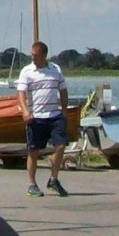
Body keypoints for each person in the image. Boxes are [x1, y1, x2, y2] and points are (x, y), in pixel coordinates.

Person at [16, 41, 69, 197]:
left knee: (60, 145)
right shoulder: (27, 71)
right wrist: (25, 111)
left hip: (54, 115)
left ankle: (54, 178)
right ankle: (32, 184)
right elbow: (21, 93)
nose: (32, 57)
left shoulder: (55, 69)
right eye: (31, 54)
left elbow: (63, 91)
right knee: (33, 151)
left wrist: (64, 111)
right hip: (36, 117)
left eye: (35, 55)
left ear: (44, 55)